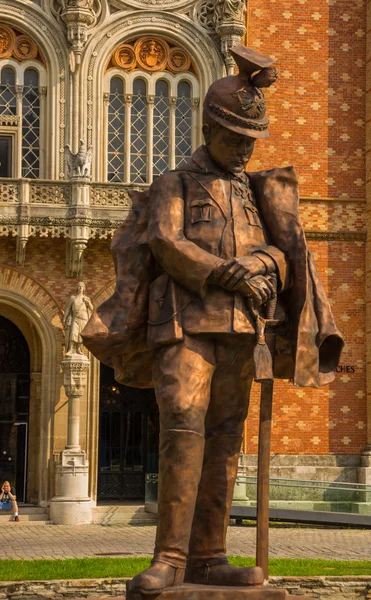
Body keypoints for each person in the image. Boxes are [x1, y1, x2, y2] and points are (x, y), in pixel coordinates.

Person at [83, 44, 343, 595]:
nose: (245, 149)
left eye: (251, 140)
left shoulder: (255, 191)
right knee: (182, 420)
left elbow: (283, 249)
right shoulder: (174, 184)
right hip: (183, 321)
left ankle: (210, 557)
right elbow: (166, 242)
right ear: (208, 128)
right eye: (235, 138)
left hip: (242, 327)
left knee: (226, 438)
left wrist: (263, 261)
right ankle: (170, 559)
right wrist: (229, 271)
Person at [63, 282, 93, 355]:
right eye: (79, 286)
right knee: (73, 332)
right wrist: (65, 318)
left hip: (84, 318)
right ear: (77, 288)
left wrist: (88, 303)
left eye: (82, 287)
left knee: (80, 335)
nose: (80, 288)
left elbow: (91, 308)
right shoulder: (73, 298)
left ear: (84, 289)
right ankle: (71, 349)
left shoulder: (86, 298)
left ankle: (79, 349)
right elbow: (68, 309)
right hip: (75, 318)